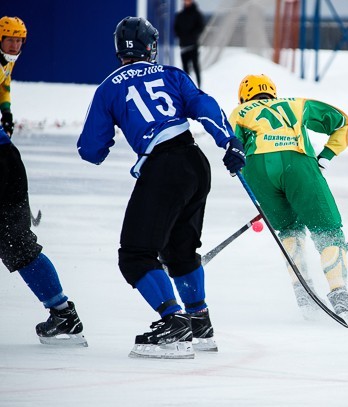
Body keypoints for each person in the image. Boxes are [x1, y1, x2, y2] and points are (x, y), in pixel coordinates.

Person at [77, 17, 245, 359]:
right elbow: (204, 105)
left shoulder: (109, 86)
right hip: (196, 164)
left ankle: (173, 323)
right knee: (179, 251)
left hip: (163, 167)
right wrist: (229, 142)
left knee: (135, 255)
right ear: (148, 47)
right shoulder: (171, 74)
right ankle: (199, 322)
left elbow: (91, 150)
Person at [228, 74, 348, 319]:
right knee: (328, 229)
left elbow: (232, 146)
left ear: (244, 95)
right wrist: (326, 155)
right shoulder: (296, 103)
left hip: (257, 168)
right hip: (297, 163)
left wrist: (261, 186)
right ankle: (339, 295)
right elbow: (346, 125)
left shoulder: (240, 111)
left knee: (289, 230)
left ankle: (303, 294)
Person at [0, 17, 86, 346]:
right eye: (10, 39)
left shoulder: (5, 62)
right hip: (9, 162)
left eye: (19, 40)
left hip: (5, 162)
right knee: (17, 242)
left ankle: (63, 314)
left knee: (18, 243)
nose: (15, 46)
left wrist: (5, 109)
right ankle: (63, 313)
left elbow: (4, 85)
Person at [174, 0, 206, 88]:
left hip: (193, 45)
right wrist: (181, 36)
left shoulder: (196, 14)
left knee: (196, 66)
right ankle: (187, 87)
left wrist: (192, 35)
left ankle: (199, 86)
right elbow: (176, 28)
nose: (187, 2)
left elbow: (201, 27)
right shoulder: (180, 15)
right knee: (185, 69)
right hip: (183, 45)